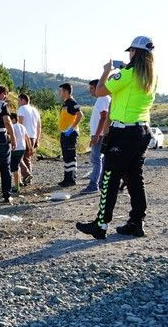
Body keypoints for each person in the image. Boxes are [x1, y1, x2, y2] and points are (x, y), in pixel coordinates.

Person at [76, 36, 157, 239]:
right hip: (142, 131)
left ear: (135, 52)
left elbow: (100, 91)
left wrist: (106, 71)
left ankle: (101, 224)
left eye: (131, 51)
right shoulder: (151, 77)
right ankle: (136, 222)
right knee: (135, 178)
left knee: (110, 178)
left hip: (124, 132)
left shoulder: (127, 74)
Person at [82, 79, 111, 193]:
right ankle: (101, 183)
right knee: (102, 160)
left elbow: (103, 118)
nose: (90, 91)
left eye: (92, 88)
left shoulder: (102, 98)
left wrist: (96, 135)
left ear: (98, 87)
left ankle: (93, 185)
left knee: (96, 160)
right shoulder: (105, 98)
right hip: (101, 134)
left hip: (100, 134)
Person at [57, 83, 83, 187]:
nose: (59, 93)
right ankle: (66, 178)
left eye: (61, 91)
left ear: (66, 92)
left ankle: (71, 179)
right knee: (66, 157)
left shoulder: (72, 102)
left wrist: (72, 128)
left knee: (71, 156)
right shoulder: (65, 103)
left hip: (70, 134)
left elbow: (80, 115)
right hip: (64, 133)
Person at [16, 94, 41, 185]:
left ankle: (26, 175)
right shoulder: (35, 110)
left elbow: (20, 123)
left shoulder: (22, 109)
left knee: (18, 157)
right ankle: (28, 179)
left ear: (23, 100)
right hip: (33, 136)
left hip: (24, 136)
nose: (18, 103)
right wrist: (37, 139)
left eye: (18, 101)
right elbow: (39, 126)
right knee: (27, 158)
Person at [9, 113, 32, 194]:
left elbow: (11, 137)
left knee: (14, 167)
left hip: (15, 148)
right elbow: (27, 137)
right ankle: (19, 182)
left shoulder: (12, 127)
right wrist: (30, 147)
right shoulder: (22, 126)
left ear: (13, 119)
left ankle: (16, 187)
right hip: (23, 148)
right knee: (18, 164)